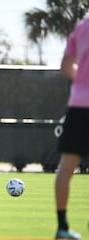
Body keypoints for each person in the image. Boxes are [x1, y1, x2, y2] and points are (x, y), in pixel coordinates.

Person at [54, 15, 89, 240]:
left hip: (78, 104)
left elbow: (66, 66)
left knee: (66, 168)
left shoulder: (83, 25)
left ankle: (62, 228)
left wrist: (83, 82)